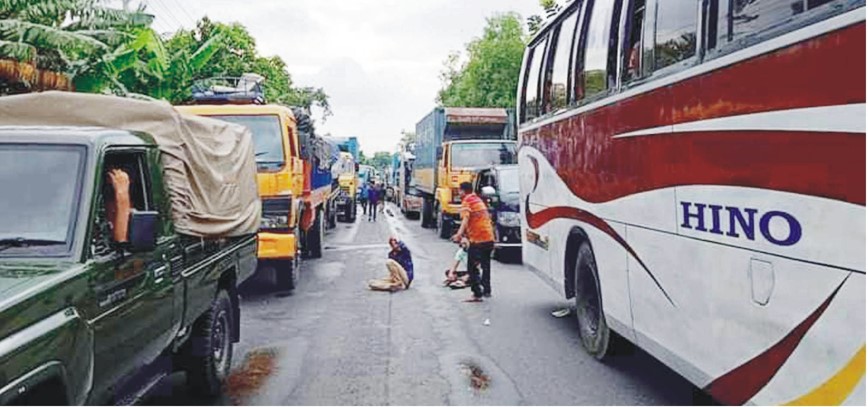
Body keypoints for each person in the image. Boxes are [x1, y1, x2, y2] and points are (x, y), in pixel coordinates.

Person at [451, 182, 495, 302]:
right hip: (489, 237)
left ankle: (477, 293)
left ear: (463, 191)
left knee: (472, 267)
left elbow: (465, 219)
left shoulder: (467, 201)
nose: (459, 193)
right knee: (486, 265)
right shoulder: (478, 200)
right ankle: (487, 290)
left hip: (478, 239)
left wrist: (459, 234)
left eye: (459, 191)